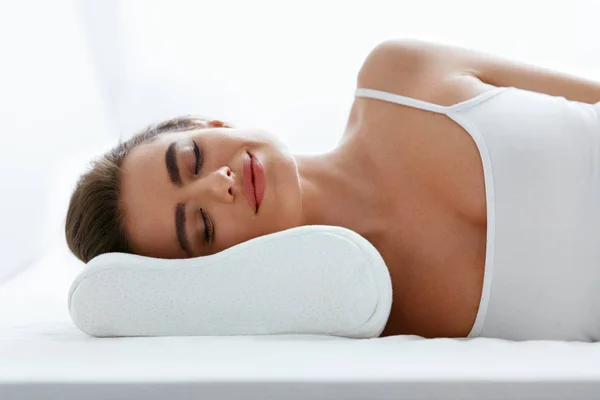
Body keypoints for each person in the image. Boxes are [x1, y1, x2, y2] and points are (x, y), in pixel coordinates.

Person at [65, 39, 600, 342]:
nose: (218, 184)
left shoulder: (399, 78)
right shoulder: (368, 324)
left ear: (215, 124)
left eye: (192, 158)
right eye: (201, 227)